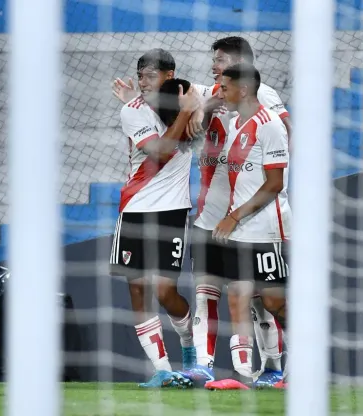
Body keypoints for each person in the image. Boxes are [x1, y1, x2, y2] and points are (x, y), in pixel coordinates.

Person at [109, 49, 211, 388]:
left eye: (150, 75)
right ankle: (162, 369)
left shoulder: (189, 93)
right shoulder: (132, 111)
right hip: (135, 207)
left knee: (166, 290)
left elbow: (221, 92)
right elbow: (160, 152)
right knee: (138, 288)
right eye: (140, 76)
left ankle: (190, 355)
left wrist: (195, 103)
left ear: (170, 76)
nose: (142, 82)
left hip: (171, 209)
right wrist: (186, 115)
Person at [204, 63, 291, 390]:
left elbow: (274, 184)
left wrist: (234, 216)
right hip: (239, 229)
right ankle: (242, 374)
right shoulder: (237, 124)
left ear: (242, 90)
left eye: (224, 88)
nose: (220, 93)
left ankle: (298, 365)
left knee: (273, 302)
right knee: (237, 295)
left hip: (268, 228)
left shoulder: (269, 126)